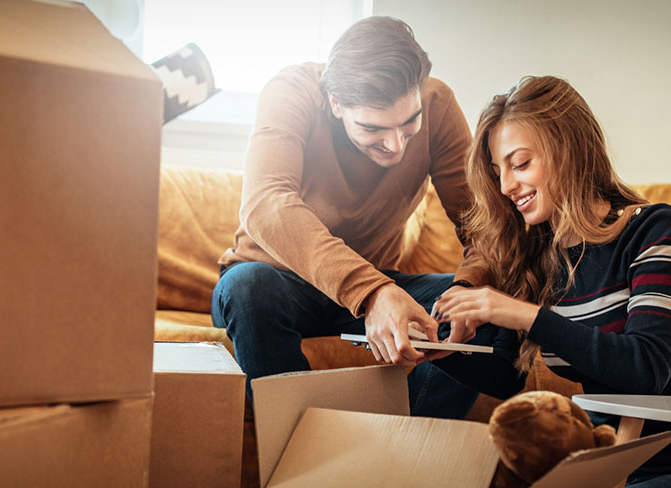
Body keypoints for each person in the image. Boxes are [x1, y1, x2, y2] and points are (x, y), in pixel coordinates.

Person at [431, 76, 671, 488]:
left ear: (568, 151)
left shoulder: (652, 228)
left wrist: (518, 312)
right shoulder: (535, 252)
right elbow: (505, 377)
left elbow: (646, 370)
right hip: (613, 469)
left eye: (521, 163)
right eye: (499, 172)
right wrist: (441, 352)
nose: (507, 185)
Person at [211, 16, 493, 418]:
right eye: (373, 128)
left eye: (408, 123)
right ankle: (302, 454)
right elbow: (265, 203)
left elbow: (483, 228)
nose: (396, 146)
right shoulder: (292, 91)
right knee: (249, 286)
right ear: (335, 103)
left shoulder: (437, 103)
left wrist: (466, 290)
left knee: (487, 308)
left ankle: (399, 447)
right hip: (275, 284)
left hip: (369, 288)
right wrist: (373, 292)